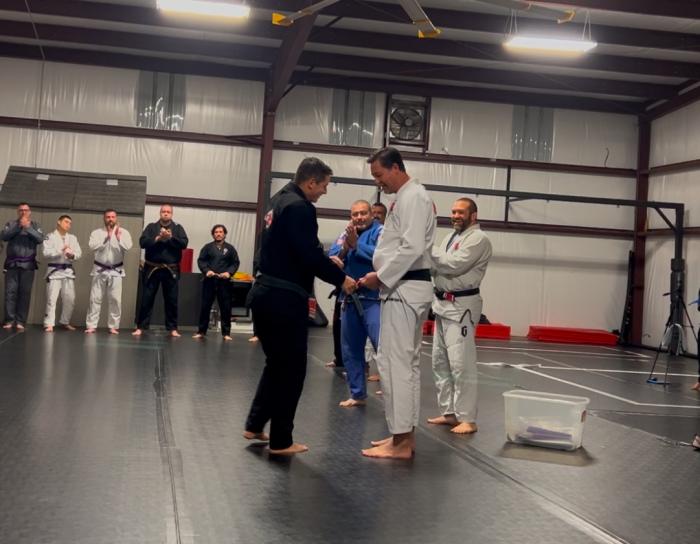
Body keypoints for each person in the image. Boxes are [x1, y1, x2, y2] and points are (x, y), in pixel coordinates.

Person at [243, 157, 356, 455]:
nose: (325, 191)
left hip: (264, 292)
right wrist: (341, 279)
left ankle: (254, 423)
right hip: (283, 299)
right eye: (324, 186)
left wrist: (323, 259)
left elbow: (290, 248)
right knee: (292, 369)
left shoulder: (278, 201)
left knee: (276, 364)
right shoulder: (300, 207)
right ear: (311, 182)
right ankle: (281, 440)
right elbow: (308, 256)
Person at [358, 147, 437, 459]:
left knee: (396, 365)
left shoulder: (413, 196)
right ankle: (403, 435)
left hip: (404, 287)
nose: (378, 182)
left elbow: (412, 247)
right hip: (404, 287)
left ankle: (401, 441)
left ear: (395, 168)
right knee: (405, 365)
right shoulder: (406, 196)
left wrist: (381, 276)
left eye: (379, 175)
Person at [428, 198, 492, 434]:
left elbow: (453, 265)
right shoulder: (449, 237)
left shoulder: (479, 239)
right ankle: (450, 412)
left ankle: (468, 418)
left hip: (461, 307)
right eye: (453, 211)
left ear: (473, 216)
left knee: (461, 364)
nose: (455, 215)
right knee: (440, 362)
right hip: (441, 304)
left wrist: (426, 246)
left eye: (460, 212)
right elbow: (436, 266)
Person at [329, 200, 383, 407]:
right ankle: (357, 393)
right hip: (349, 298)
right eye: (355, 214)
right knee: (350, 349)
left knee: (382, 347)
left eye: (363, 213)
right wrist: (345, 248)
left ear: (371, 214)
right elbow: (333, 257)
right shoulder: (346, 233)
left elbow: (383, 257)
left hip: (374, 300)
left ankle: (392, 392)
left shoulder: (381, 232)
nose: (359, 217)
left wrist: (357, 245)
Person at [133, 204, 188, 337]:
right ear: (160, 213)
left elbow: (184, 244)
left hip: (171, 269)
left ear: (171, 214)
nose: (166, 213)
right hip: (152, 268)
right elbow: (142, 242)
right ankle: (141, 327)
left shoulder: (178, 228)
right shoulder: (151, 227)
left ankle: (172, 328)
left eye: (168, 211)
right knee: (146, 299)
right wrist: (157, 238)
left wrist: (170, 238)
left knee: (171, 300)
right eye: (164, 211)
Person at [85, 209, 133, 334]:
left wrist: (118, 237)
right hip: (99, 269)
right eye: (108, 217)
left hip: (116, 270)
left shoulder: (124, 232)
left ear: (116, 218)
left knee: (115, 299)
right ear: (104, 218)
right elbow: (92, 246)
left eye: (112, 217)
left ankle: (113, 326)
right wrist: (106, 238)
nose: (110, 219)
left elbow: (128, 247)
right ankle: (91, 325)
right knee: (95, 298)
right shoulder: (97, 233)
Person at [193, 224, 240, 341]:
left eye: (220, 232)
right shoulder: (207, 247)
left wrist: (229, 273)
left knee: (225, 307)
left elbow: (235, 263)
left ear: (224, 234)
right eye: (216, 232)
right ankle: (201, 331)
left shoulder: (230, 248)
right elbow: (201, 261)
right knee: (205, 306)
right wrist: (206, 270)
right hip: (210, 280)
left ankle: (226, 333)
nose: (218, 234)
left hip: (224, 282)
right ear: (213, 234)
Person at [2, 203, 44, 331]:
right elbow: (4, 236)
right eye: (21, 210)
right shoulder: (11, 224)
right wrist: (19, 226)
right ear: (17, 212)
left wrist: (28, 227)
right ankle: (9, 320)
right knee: (10, 292)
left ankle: (20, 321)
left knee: (24, 293)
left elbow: (40, 239)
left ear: (29, 212)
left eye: (26, 210)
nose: (23, 212)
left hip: (28, 264)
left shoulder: (35, 225)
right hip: (12, 264)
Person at [42, 215, 82, 332]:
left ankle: (65, 321)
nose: (68, 225)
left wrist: (72, 255)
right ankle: (49, 323)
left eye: (70, 223)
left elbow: (79, 253)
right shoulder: (50, 237)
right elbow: (46, 253)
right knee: (51, 299)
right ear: (59, 222)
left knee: (70, 299)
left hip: (68, 272)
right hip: (54, 272)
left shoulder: (73, 238)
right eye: (66, 222)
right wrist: (61, 250)